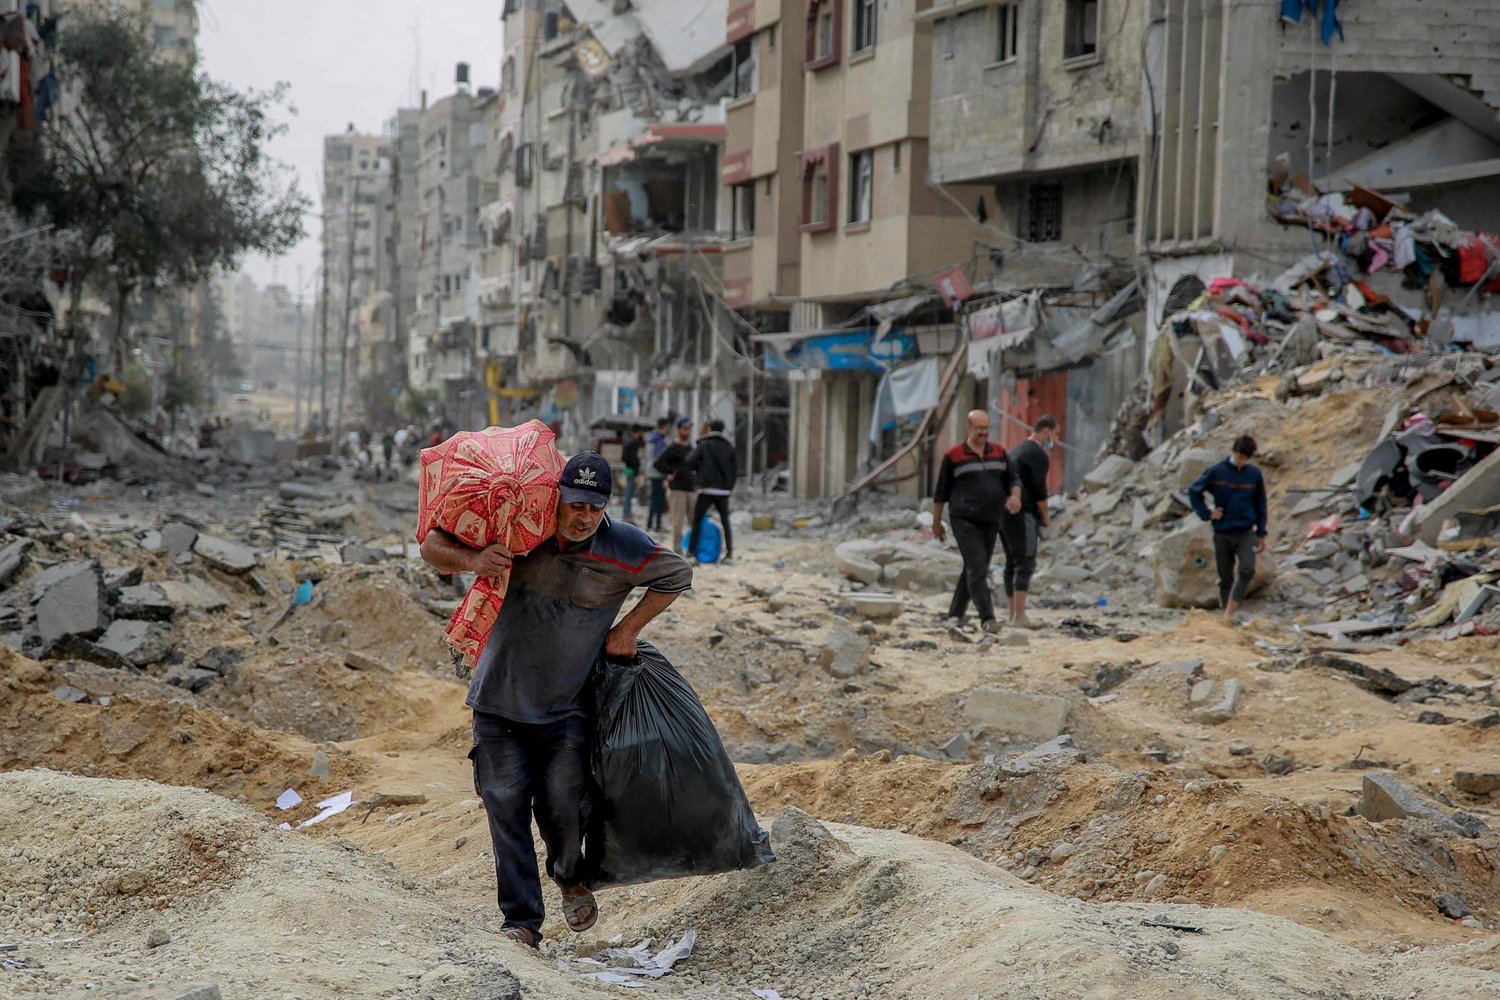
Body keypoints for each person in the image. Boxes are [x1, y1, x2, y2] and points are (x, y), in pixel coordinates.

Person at [418, 453, 693, 949]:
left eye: (594, 507)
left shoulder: (624, 546)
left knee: (564, 806)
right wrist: (474, 560)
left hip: (566, 708)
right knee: (505, 808)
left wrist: (627, 629)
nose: (583, 516)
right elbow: (432, 544)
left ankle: (568, 874)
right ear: (556, 498)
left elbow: (677, 575)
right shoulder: (519, 530)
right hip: (498, 701)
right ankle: (522, 921)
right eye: (575, 504)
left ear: (606, 506)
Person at [932, 410, 1020, 635]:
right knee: (978, 568)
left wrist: (1015, 496)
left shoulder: (999, 452)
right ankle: (988, 619)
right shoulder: (953, 456)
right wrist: (936, 523)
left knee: (973, 567)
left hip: (991, 519)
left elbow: (1013, 480)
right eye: (979, 428)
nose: (983, 432)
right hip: (964, 519)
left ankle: (955, 615)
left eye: (986, 428)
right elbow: (941, 493)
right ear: (968, 428)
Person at [1189, 434, 1269, 621]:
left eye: (1246, 458)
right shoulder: (1217, 471)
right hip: (1222, 532)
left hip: (1246, 532)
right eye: (1240, 457)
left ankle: (1229, 612)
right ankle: (1226, 619)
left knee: (1247, 570)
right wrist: (1207, 513)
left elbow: (1260, 505)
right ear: (1233, 451)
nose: (1242, 462)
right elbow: (1194, 491)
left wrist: (1261, 532)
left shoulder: (1254, 474)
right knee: (1225, 578)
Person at [1001, 414, 1057, 629]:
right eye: (1055, 434)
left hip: (1004, 511)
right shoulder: (1037, 454)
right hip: (1022, 511)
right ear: (1046, 431)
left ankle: (1012, 615)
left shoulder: (1019, 449)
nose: (1055, 439)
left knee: (1011, 562)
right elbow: (1039, 489)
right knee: (1025, 561)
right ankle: (1020, 616)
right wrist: (1045, 516)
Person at [688, 418, 737, 564]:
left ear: (709, 428)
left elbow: (690, 461)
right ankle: (729, 554)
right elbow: (734, 470)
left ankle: (691, 553)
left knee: (697, 520)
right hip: (723, 491)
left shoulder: (704, 444)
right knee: (725, 521)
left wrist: (699, 473)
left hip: (707, 489)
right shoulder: (729, 446)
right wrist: (729, 487)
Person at [654, 418, 698, 556]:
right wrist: (670, 472)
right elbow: (658, 463)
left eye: (689, 429)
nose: (688, 432)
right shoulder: (673, 447)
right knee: (678, 523)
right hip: (677, 490)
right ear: (679, 430)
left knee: (694, 522)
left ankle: (693, 550)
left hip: (691, 488)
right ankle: (678, 552)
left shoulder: (690, 447)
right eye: (685, 429)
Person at [644, 418, 670, 532]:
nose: (668, 429)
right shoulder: (659, 440)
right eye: (667, 427)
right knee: (658, 500)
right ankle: (657, 525)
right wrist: (665, 476)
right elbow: (661, 459)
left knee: (655, 499)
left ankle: (650, 524)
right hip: (658, 473)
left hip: (652, 471)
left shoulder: (651, 438)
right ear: (663, 427)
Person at [620, 429, 644, 523]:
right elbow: (634, 459)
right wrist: (636, 474)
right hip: (633, 470)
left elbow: (623, 457)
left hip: (627, 468)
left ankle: (626, 513)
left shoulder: (626, 441)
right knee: (629, 492)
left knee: (628, 492)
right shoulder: (634, 442)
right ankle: (626, 515)